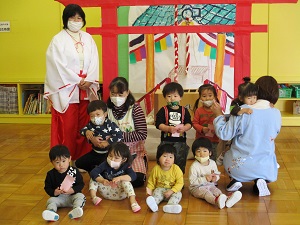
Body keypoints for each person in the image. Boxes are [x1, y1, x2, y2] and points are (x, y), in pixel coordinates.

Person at [44, 4, 100, 164]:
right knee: (67, 127)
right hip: (67, 89)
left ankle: (82, 160)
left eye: (79, 18)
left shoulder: (88, 38)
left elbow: (94, 60)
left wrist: (90, 78)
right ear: (65, 20)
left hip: (85, 88)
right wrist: (77, 80)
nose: (76, 21)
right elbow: (57, 64)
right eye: (72, 18)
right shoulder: (58, 40)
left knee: (84, 125)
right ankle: (64, 160)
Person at [212, 75, 281, 196]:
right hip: (266, 168)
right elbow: (274, 133)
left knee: (228, 152)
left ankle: (237, 179)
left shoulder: (243, 110)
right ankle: (260, 179)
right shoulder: (276, 112)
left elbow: (224, 134)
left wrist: (218, 115)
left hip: (239, 166)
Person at [91, 77, 147, 187]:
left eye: (120, 95)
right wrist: (91, 135)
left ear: (127, 93)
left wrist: (117, 136)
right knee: (101, 175)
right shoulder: (106, 109)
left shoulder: (135, 109)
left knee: (138, 179)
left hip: (133, 152)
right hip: (113, 154)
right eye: (113, 94)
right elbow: (97, 127)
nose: (116, 97)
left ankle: (120, 178)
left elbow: (142, 133)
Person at [189, 138, 242, 209]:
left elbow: (216, 174)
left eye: (205, 151)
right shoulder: (194, 166)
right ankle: (216, 201)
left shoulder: (212, 163)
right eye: (198, 151)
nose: (201, 154)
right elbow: (192, 182)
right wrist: (205, 179)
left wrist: (215, 178)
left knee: (217, 191)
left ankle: (227, 199)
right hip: (197, 188)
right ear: (194, 153)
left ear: (210, 153)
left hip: (210, 185)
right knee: (207, 193)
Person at [216, 77, 258, 165]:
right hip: (232, 124)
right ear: (241, 98)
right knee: (229, 142)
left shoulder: (255, 104)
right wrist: (243, 110)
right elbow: (233, 111)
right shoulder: (235, 102)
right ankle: (223, 154)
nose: (253, 101)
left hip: (242, 128)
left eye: (255, 97)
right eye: (249, 98)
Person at [89, 142, 141, 212]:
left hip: (121, 192)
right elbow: (93, 172)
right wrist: (102, 180)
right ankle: (94, 197)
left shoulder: (126, 165)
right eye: (110, 156)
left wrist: (120, 178)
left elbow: (133, 175)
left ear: (123, 159)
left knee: (126, 182)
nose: (112, 159)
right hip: (106, 190)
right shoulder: (105, 164)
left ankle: (133, 202)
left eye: (116, 158)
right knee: (94, 178)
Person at [75, 100, 123, 173]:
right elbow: (82, 130)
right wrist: (86, 132)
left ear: (105, 114)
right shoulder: (91, 124)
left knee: (105, 170)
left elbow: (119, 135)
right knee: (78, 163)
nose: (95, 118)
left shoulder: (109, 124)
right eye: (92, 116)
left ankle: (98, 172)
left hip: (107, 154)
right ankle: (93, 170)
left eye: (98, 114)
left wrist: (107, 142)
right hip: (95, 152)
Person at [155, 82, 192, 174]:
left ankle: (178, 180)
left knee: (180, 161)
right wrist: (168, 128)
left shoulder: (184, 110)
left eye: (175, 96)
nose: (172, 98)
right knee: (164, 161)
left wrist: (184, 128)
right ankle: (163, 178)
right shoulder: (163, 110)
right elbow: (158, 124)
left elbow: (189, 123)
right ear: (165, 97)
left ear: (180, 97)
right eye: (169, 96)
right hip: (166, 140)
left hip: (181, 141)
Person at [42, 145, 86, 221]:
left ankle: (76, 209)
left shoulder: (74, 171)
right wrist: (54, 192)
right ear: (52, 162)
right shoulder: (50, 174)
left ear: (69, 159)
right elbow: (47, 187)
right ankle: (51, 213)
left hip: (73, 196)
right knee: (50, 201)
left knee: (81, 196)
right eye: (57, 162)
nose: (61, 165)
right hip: (59, 198)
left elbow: (81, 184)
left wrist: (72, 190)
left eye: (63, 161)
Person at [146, 144, 184, 214]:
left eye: (171, 157)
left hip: (172, 190)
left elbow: (180, 183)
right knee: (156, 193)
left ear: (174, 159)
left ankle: (171, 205)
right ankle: (153, 205)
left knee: (178, 194)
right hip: (160, 189)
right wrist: (149, 193)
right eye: (164, 156)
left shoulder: (176, 169)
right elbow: (151, 182)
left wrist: (172, 191)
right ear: (158, 157)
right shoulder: (156, 169)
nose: (167, 159)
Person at [192, 84, 219, 161]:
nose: (207, 98)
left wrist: (216, 129)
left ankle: (211, 172)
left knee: (212, 159)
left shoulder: (217, 109)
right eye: (204, 96)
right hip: (201, 141)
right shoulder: (198, 110)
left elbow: (222, 122)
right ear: (200, 98)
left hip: (214, 141)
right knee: (200, 159)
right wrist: (202, 128)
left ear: (215, 97)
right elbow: (194, 123)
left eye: (210, 95)